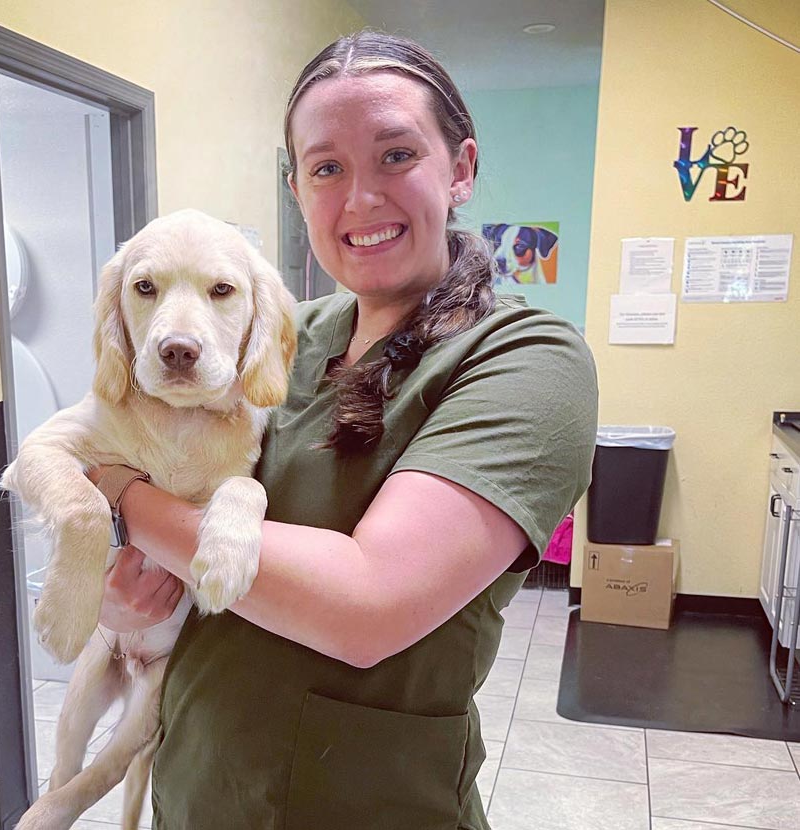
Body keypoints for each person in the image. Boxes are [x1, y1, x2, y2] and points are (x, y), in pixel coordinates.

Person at [88, 30, 597, 830]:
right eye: (326, 168)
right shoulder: (281, 333)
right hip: (197, 788)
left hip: (368, 804)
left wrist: (124, 499)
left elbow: (367, 604)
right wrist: (127, 600)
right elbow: (171, 510)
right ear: (297, 188)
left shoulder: (528, 360)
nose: (359, 199)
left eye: (396, 155)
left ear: (459, 169)